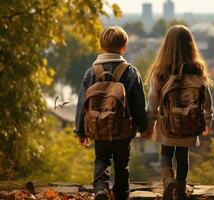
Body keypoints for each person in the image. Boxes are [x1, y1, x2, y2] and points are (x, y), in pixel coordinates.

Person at [74, 26, 148, 200]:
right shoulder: (131, 72)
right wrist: (144, 126)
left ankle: (101, 189)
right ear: (123, 47)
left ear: (101, 46)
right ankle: (122, 194)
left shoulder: (91, 72)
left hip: (98, 128)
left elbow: (82, 104)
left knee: (101, 159)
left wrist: (80, 131)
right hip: (123, 129)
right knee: (122, 164)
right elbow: (138, 104)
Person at [145, 25, 214, 200]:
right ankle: (180, 192)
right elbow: (207, 99)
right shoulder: (197, 71)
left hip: (167, 124)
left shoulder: (160, 72)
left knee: (166, 154)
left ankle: (168, 179)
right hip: (190, 124)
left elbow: (152, 101)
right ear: (191, 46)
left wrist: (149, 123)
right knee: (183, 157)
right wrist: (207, 121)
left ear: (166, 46)